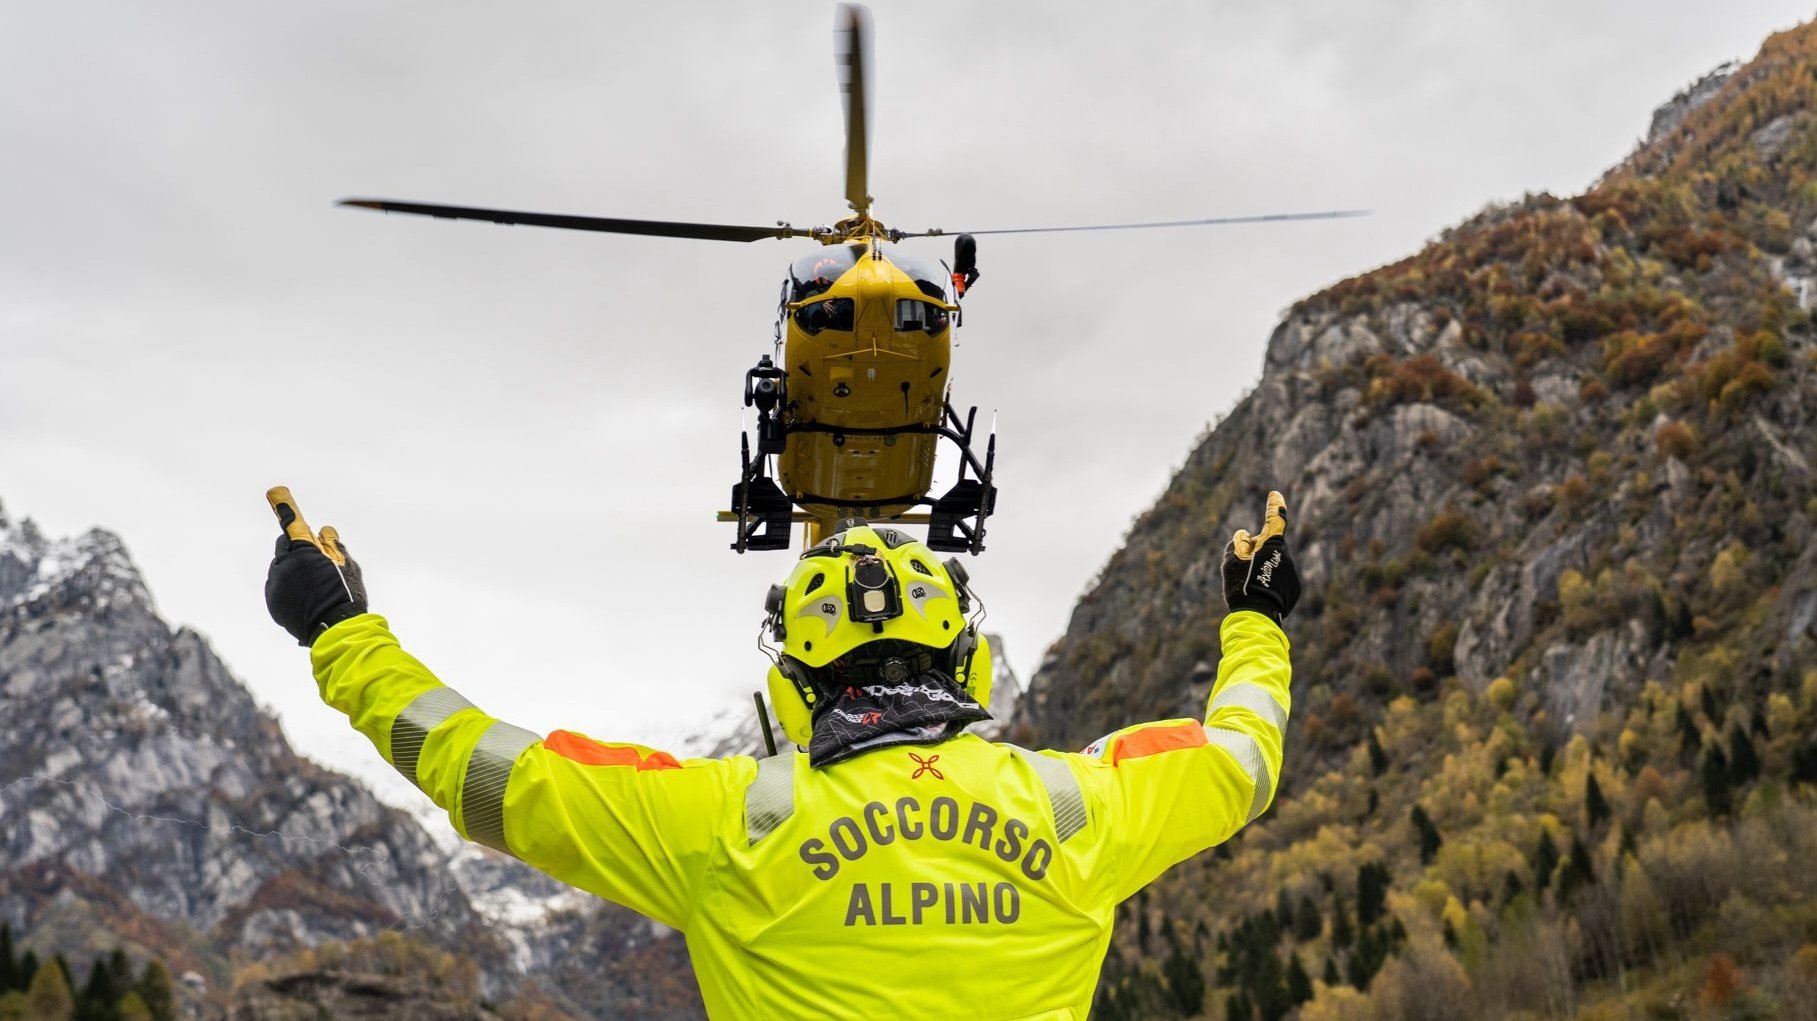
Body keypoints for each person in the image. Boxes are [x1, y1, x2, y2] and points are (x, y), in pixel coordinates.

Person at [264, 492, 1299, 1020]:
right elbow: (1239, 757)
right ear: (967, 661)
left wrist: (340, 634)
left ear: (790, 687)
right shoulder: (1080, 804)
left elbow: (489, 773)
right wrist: (1253, 620)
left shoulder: (727, 819)